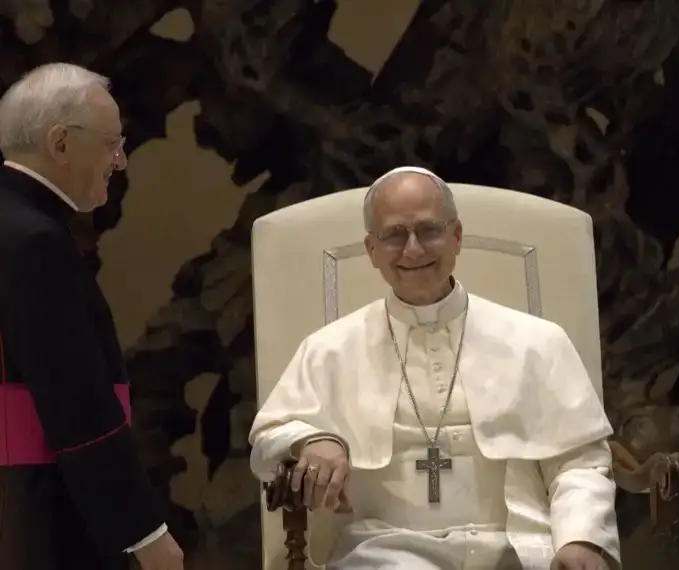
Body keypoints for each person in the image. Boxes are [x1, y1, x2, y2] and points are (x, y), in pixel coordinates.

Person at [250, 166, 620, 569]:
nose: (413, 250)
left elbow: (580, 461)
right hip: (386, 553)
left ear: (457, 237)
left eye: (428, 230)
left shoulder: (538, 342)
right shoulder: (329, 349)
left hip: (517, 549)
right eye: (394, 235)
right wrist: (312, 440)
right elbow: (269, 436)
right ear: (371, 250)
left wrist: (580, 539)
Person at [0, 63, 184, 570]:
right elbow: (76, 403)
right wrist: (145, 533)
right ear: (61, 144)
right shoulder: (34, 241)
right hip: (42, 506)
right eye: (110, 143)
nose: (120, 160)